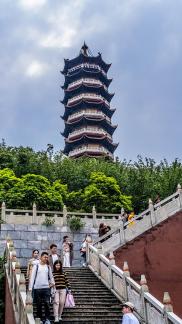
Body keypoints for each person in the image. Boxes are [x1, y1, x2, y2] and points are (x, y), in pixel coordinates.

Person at [29, 251, 55, 324]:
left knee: (47, 304)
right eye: (45, 257)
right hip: (37, 288)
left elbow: (51, 277)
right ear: (41, 257)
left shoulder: (48, 267)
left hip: (46, 288)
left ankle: (47, 319)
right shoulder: (36, 266)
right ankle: (39, 319)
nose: (46, 258)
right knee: (39, 304)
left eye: (47, 257)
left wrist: (53, 284)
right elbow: (32, 277)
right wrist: (30, 288)